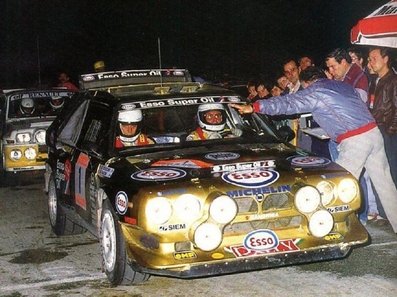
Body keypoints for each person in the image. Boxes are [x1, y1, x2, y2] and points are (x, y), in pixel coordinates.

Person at [230, 66, 397, 233]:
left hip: (355, 140)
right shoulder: (342, 85)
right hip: (373, 133)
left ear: (307, 82)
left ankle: (326, 228)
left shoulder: (315, 90)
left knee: (334, 186)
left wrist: (255, 107)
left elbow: (288, 103)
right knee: (385, 184)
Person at [326, 48, 377, 224]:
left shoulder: (357, 75)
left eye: (333, 67)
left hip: (356, 134)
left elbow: (359, 100)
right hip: (345, 133)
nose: (331, 72)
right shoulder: (344, 77)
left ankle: (360, 216)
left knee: (351, 176)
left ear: (343, 62)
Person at [368, 47, 397, 188]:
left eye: (374, 59)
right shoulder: (376, 80)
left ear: (385, 59)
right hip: (378, 130)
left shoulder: (393, 80)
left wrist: (390, 131)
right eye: (369, 59)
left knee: (392, 170)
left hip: (389, 133)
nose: (371, 62)